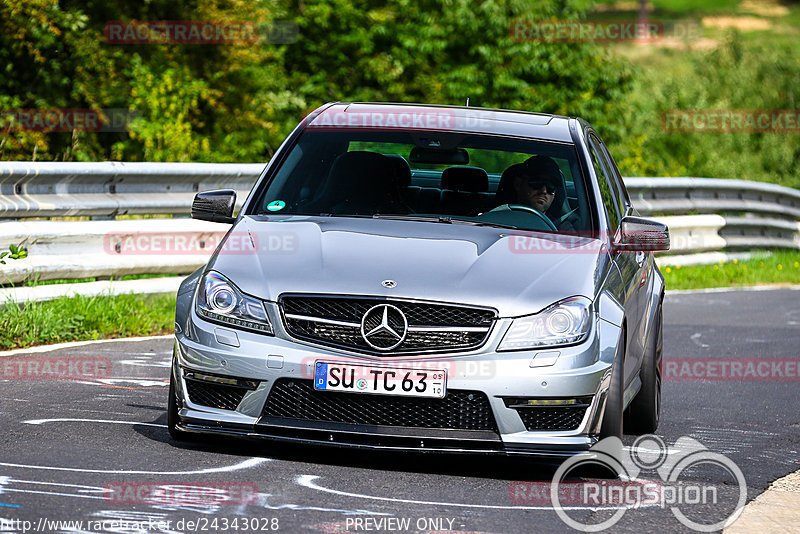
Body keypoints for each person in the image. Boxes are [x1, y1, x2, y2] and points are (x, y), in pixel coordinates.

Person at [496, 155, 579, 231]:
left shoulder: (563, 230)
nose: (544, 191)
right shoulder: (493, 221)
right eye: (537, 182)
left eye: (551, 186)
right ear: (518, 184)